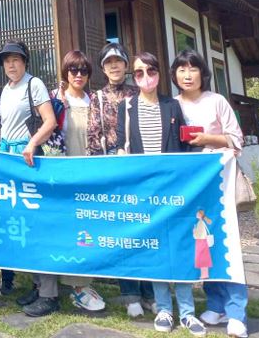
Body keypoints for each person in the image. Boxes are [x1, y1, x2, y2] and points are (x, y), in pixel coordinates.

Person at [116, 52, 205, 336]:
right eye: (139, 72)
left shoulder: (172, 105)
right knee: (155, 247)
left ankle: (188, 312)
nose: (145, 77)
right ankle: (164, 308)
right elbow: (122, 144)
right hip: (144, 190)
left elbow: (186, 145)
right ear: (133, 77)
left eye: (150, 71)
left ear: (159, 73)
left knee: (179, 247)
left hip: (174, 190)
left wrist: (209, 158)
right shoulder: (127, 107)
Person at [172, 49, 247, 338]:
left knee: (227, 244)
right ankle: (215, 304)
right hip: (190, 186)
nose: (187, 75)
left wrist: (208, 139)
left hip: (218, 184)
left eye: (192, 69)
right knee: (203, 245)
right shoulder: (173, 104)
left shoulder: (217, 101)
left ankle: (237, 312)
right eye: (181, 69)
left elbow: (236, 139)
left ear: (203, 73)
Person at [86, 43, 152, 318]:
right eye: (109, 62)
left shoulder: (139, 94)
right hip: (113, 167)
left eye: (118, 61)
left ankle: (150, 292)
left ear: (126, 66)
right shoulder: (98, 98)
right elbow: (93, 138)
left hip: (139, 166)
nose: (114, 66)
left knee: (146, 229)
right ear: (103, 68)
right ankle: (130, 294)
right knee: (123, 231)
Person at [38, 51, 105, 313]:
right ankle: (63, 285)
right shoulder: (55, 99)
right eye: (73, 70)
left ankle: (81, 284)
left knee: (85, 227)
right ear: (65, 73)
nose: (78, 75)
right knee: (62, 227)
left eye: (83, 71)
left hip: (89, 173)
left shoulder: (95, 100)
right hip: (61, 174)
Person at [0, 40, 57, 308]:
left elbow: (50, 121)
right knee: (22, 225)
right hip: (10, 160)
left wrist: (32, 143)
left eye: (16, 59)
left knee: (37, 223)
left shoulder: (34, 84)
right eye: (6, 60)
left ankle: (49, 294)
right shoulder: (6, 90)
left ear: (25, 62)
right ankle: (37, 285)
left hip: (29, 161)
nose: (11, 64)